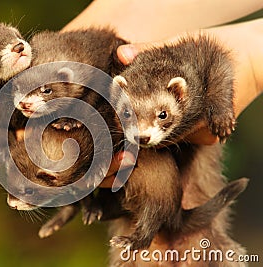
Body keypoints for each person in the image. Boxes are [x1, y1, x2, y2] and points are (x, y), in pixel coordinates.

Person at [62, 0, 263, 187]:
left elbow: (215, 62)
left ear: (180, 94)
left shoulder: (202, 65)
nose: (141, 132)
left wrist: (254, 68)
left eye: (162, 115)